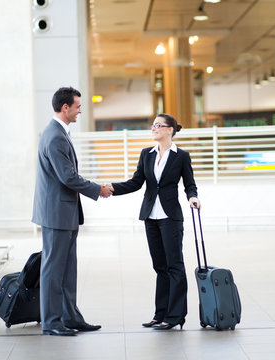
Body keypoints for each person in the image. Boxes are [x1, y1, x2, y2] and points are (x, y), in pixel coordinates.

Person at [32, 86, 113, 336]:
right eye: (77, 106)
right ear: (65, 108)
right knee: (53, 270)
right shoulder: (55, 136)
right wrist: (97, 188)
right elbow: (67, 177)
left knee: (67, 270)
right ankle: (52, 323)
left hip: (63, 214)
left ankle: (71, 317)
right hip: (56, 215)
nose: (80, 110)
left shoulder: (59, 133)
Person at [110, 113, 200, 330]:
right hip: (150, 216)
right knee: (160, 266)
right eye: (153, 125)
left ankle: (176, 315)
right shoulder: (146, 154)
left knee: (174, 266)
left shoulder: (181, 156)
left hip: (170, 217)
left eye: (158, 125)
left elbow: (189, 183)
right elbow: (135, 183)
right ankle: (160, 314)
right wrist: (111, 189)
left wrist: (193, 197)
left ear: (170, 129)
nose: (154, 128)